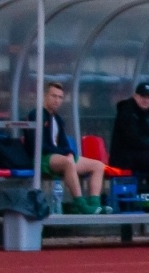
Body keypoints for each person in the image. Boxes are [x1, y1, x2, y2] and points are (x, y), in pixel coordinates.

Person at [24, 81, 106, 214]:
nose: (57, 100)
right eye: (53, 96)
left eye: (60, 97)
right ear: (45, 96)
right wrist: (64, 154)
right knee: (68, 161)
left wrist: (69, 152)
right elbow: (38, 146)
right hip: (42, 158)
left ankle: (94, 204)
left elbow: (64, 144)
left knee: (98, 165)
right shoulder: (36, 115)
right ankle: (80, 203)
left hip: (58, 157)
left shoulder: (58, 119)